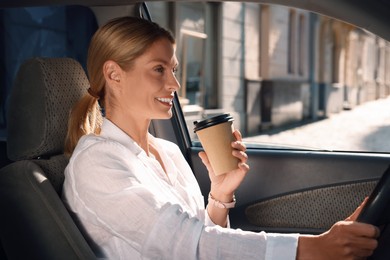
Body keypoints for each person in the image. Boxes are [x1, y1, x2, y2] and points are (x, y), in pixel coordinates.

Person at [62, 16, 379, 259]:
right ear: (114, 74)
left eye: (174, 69)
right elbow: (190, 246)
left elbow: (200, 237)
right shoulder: (96, 163)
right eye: (159, 69)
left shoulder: (167, 151)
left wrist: (219, 196)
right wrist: (311, 249)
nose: (175, 84)